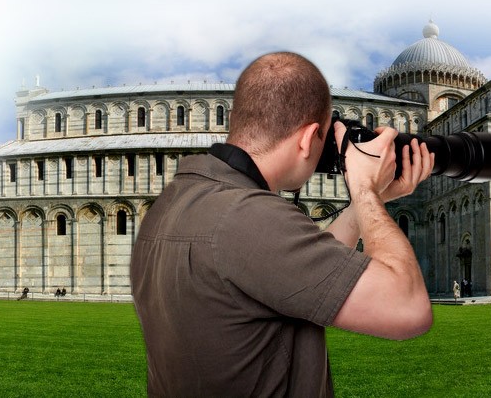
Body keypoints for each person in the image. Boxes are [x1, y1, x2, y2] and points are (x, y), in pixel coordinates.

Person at [131, 52, 435, 397]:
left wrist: (368, 202)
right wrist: (364, 187)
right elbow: (406, 308)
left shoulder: (178, 200)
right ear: (308, 139)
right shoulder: (247, 217)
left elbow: (301, 268)